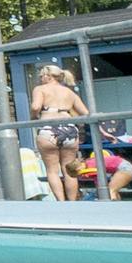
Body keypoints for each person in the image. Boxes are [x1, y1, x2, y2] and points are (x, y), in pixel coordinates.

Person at [32, 64, 91, 201]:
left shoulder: (40, 89)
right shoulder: (69, 92)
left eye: (41, 76)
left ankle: (61, 201)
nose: (40, 79)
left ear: (48, 76)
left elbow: (36, 106)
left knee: (52, 170)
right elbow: (86, 113)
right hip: (69, 130)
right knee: (69, 169)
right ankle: (72, 201)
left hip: (49, 130)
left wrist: (33, 117)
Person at [65, 154, 132, 200]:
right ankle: (118, 206)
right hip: (124, 167)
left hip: (124, 168)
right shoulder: (89, 162)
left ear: (78, 170)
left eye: (79, 175)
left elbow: (98, 179)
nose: (81, 176)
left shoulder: (90, 165)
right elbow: (98, 178)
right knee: (114, 190)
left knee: (110, 191)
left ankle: (112, 209)